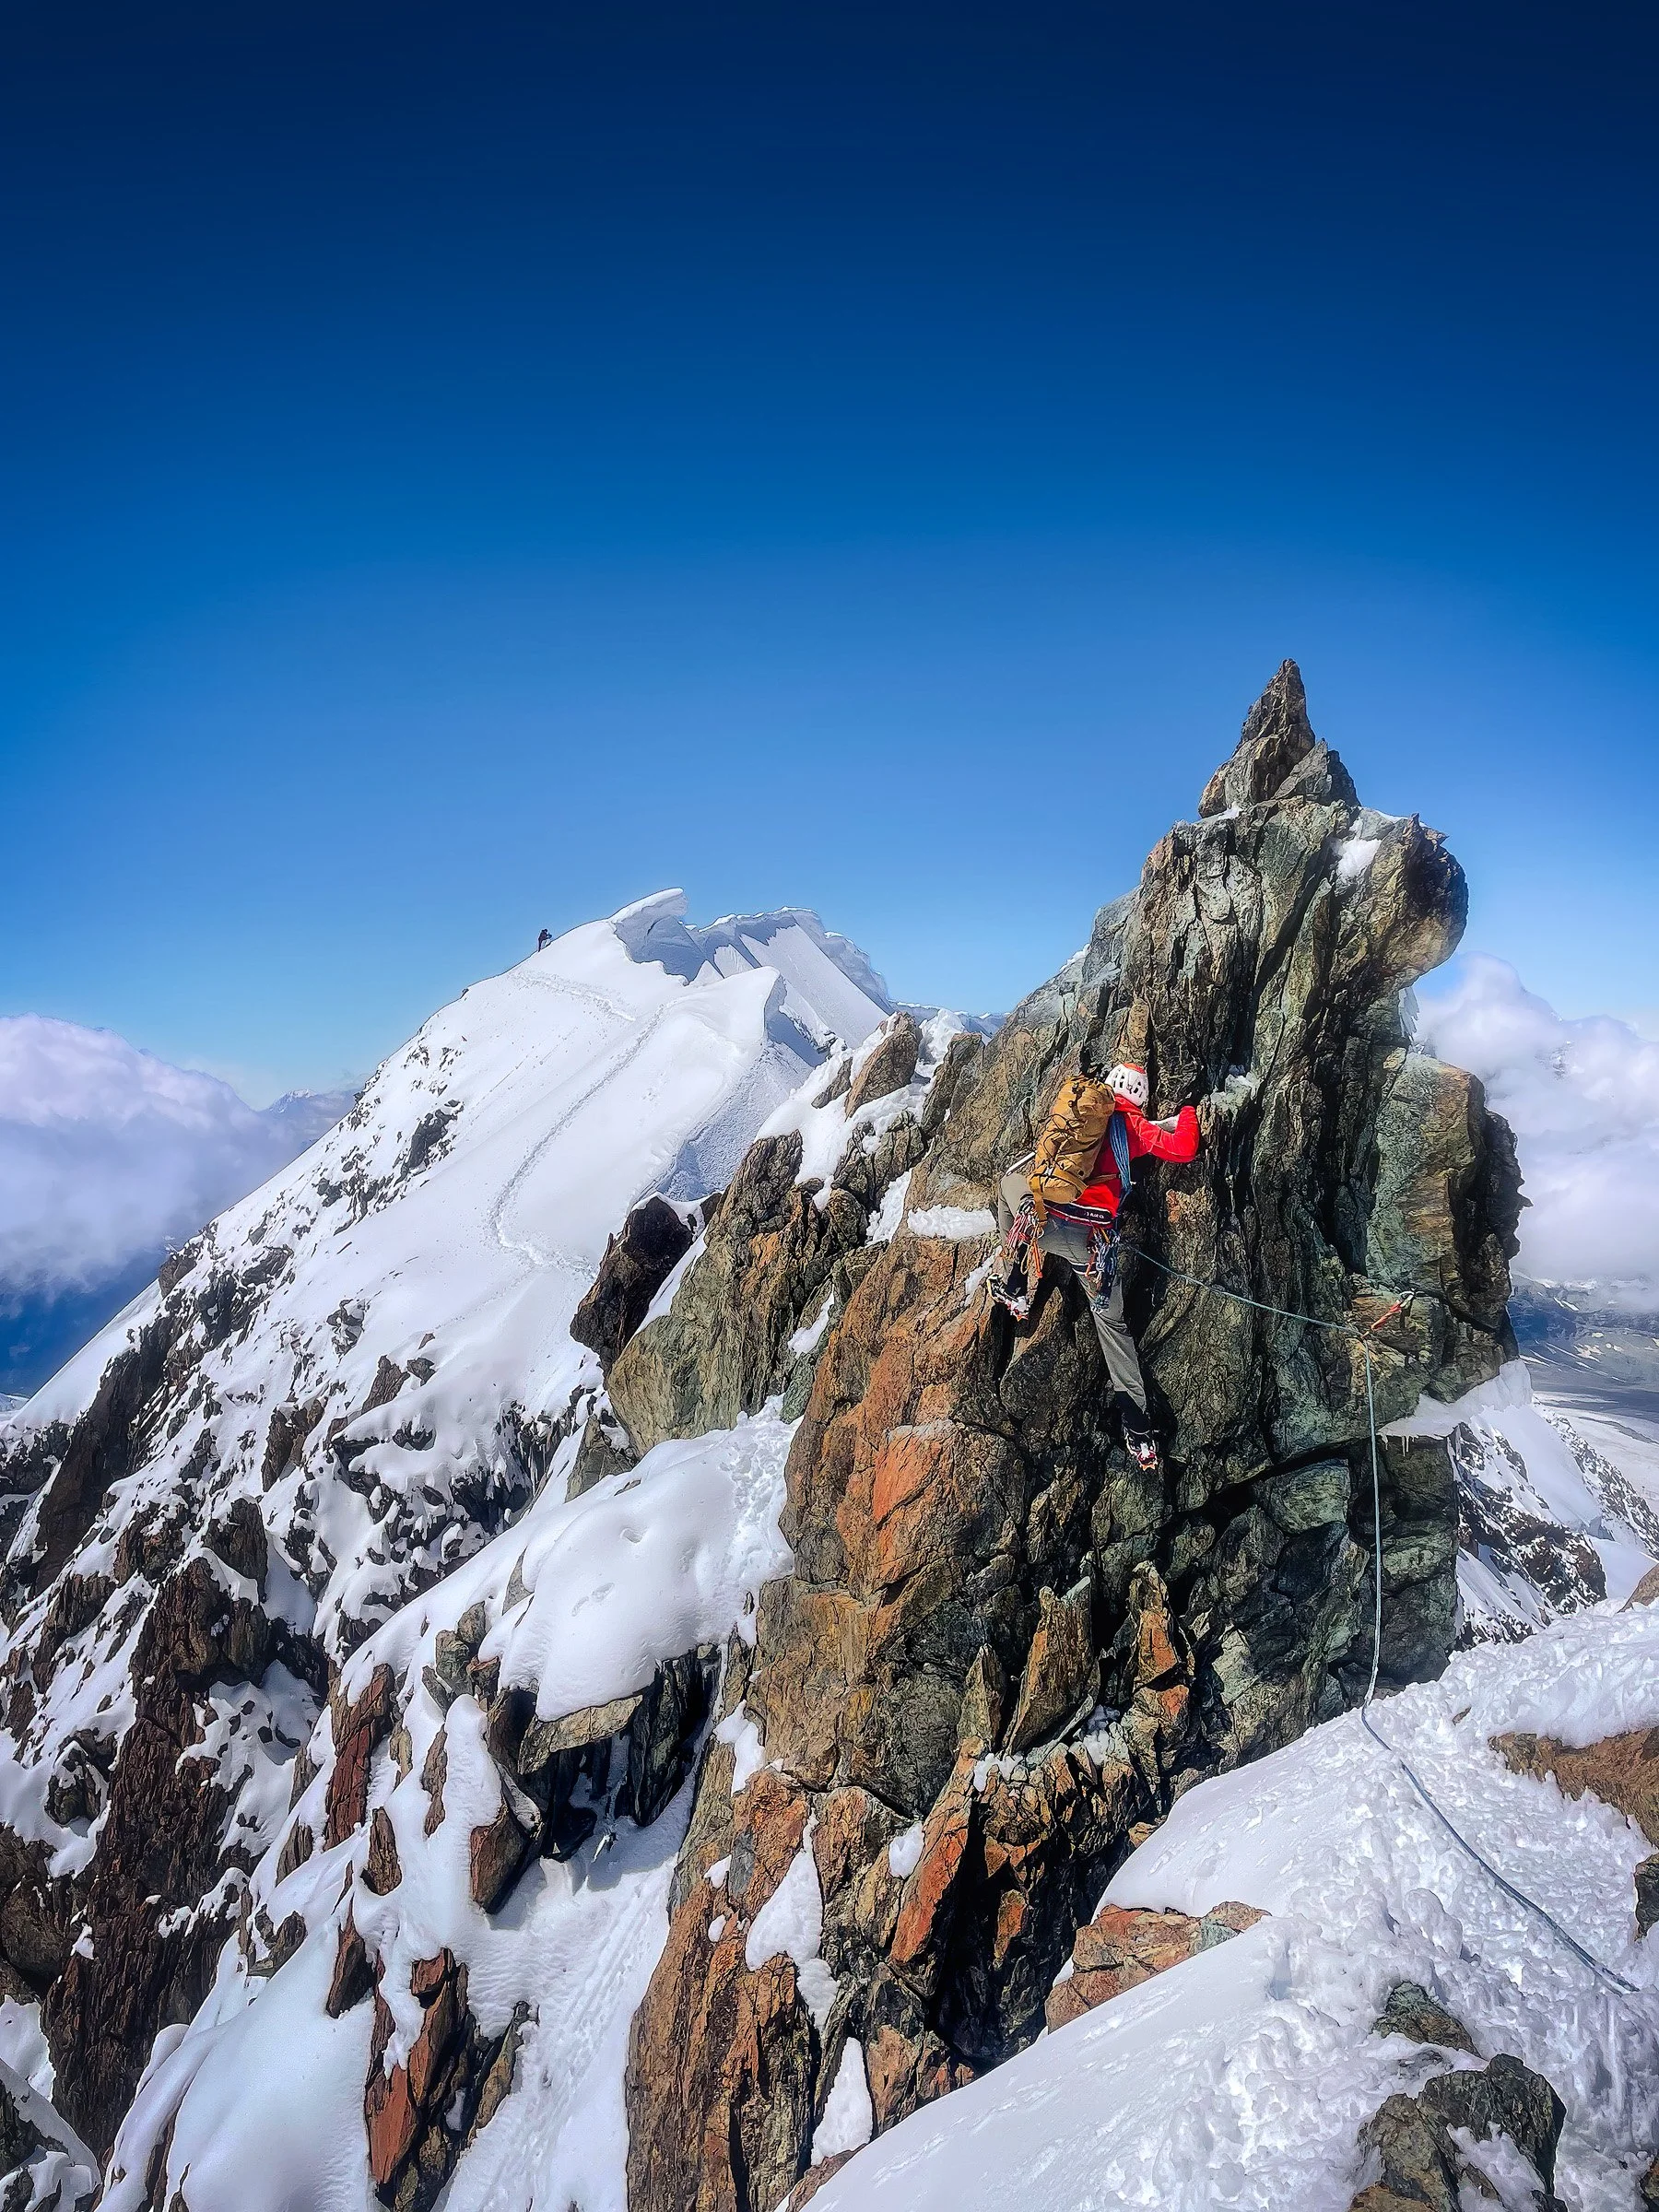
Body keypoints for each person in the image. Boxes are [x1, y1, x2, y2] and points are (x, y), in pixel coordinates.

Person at [992, 1045, 1199, 1473]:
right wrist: (1189, 1112)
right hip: (1093, 1248)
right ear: (1140, 1098)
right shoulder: (1135, 1126)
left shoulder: (1081, 1117)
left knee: (1009, 1187)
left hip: (1048, 1226)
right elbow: (1184, 1149)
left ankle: (1015, 1283)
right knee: (1113, 1329)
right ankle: (1139, 1429)